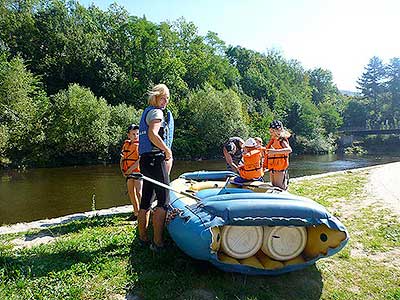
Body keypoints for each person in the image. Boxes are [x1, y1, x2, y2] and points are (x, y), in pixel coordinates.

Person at [138, 83, 174, 252]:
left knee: (146, 199)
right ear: (156, 97)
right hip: (155, 159)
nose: (165, 101)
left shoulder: (146, 112)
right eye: (163, 98)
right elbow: (153, 134)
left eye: (167, 98)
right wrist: (166, 150)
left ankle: (143, 237)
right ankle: (158, 243)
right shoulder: (157, 112)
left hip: (144, 160)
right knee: (164, 201)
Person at [120, 124, 142, 221]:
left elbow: (139, 161)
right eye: (133, 134)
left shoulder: (140, 146)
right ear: (128, 135)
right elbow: (122, 159)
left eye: (137, 134)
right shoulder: (126, 145)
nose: (135, 136)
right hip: (128, 173)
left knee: (139, 192)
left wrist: (130, 170)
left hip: (137, 172)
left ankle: (144, 213)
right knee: (131, 192)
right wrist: (123, 170)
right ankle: (136, 213)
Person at [264, 120, 292, 190]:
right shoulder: (274, 140)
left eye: (272, 131)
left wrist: (275, 152)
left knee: (280, 189)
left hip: (279, 169)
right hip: (273, 169)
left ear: (278, 130)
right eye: (270, 132)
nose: (271, 133)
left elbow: (289, 150)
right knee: (274, 188)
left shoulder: (282, 140)